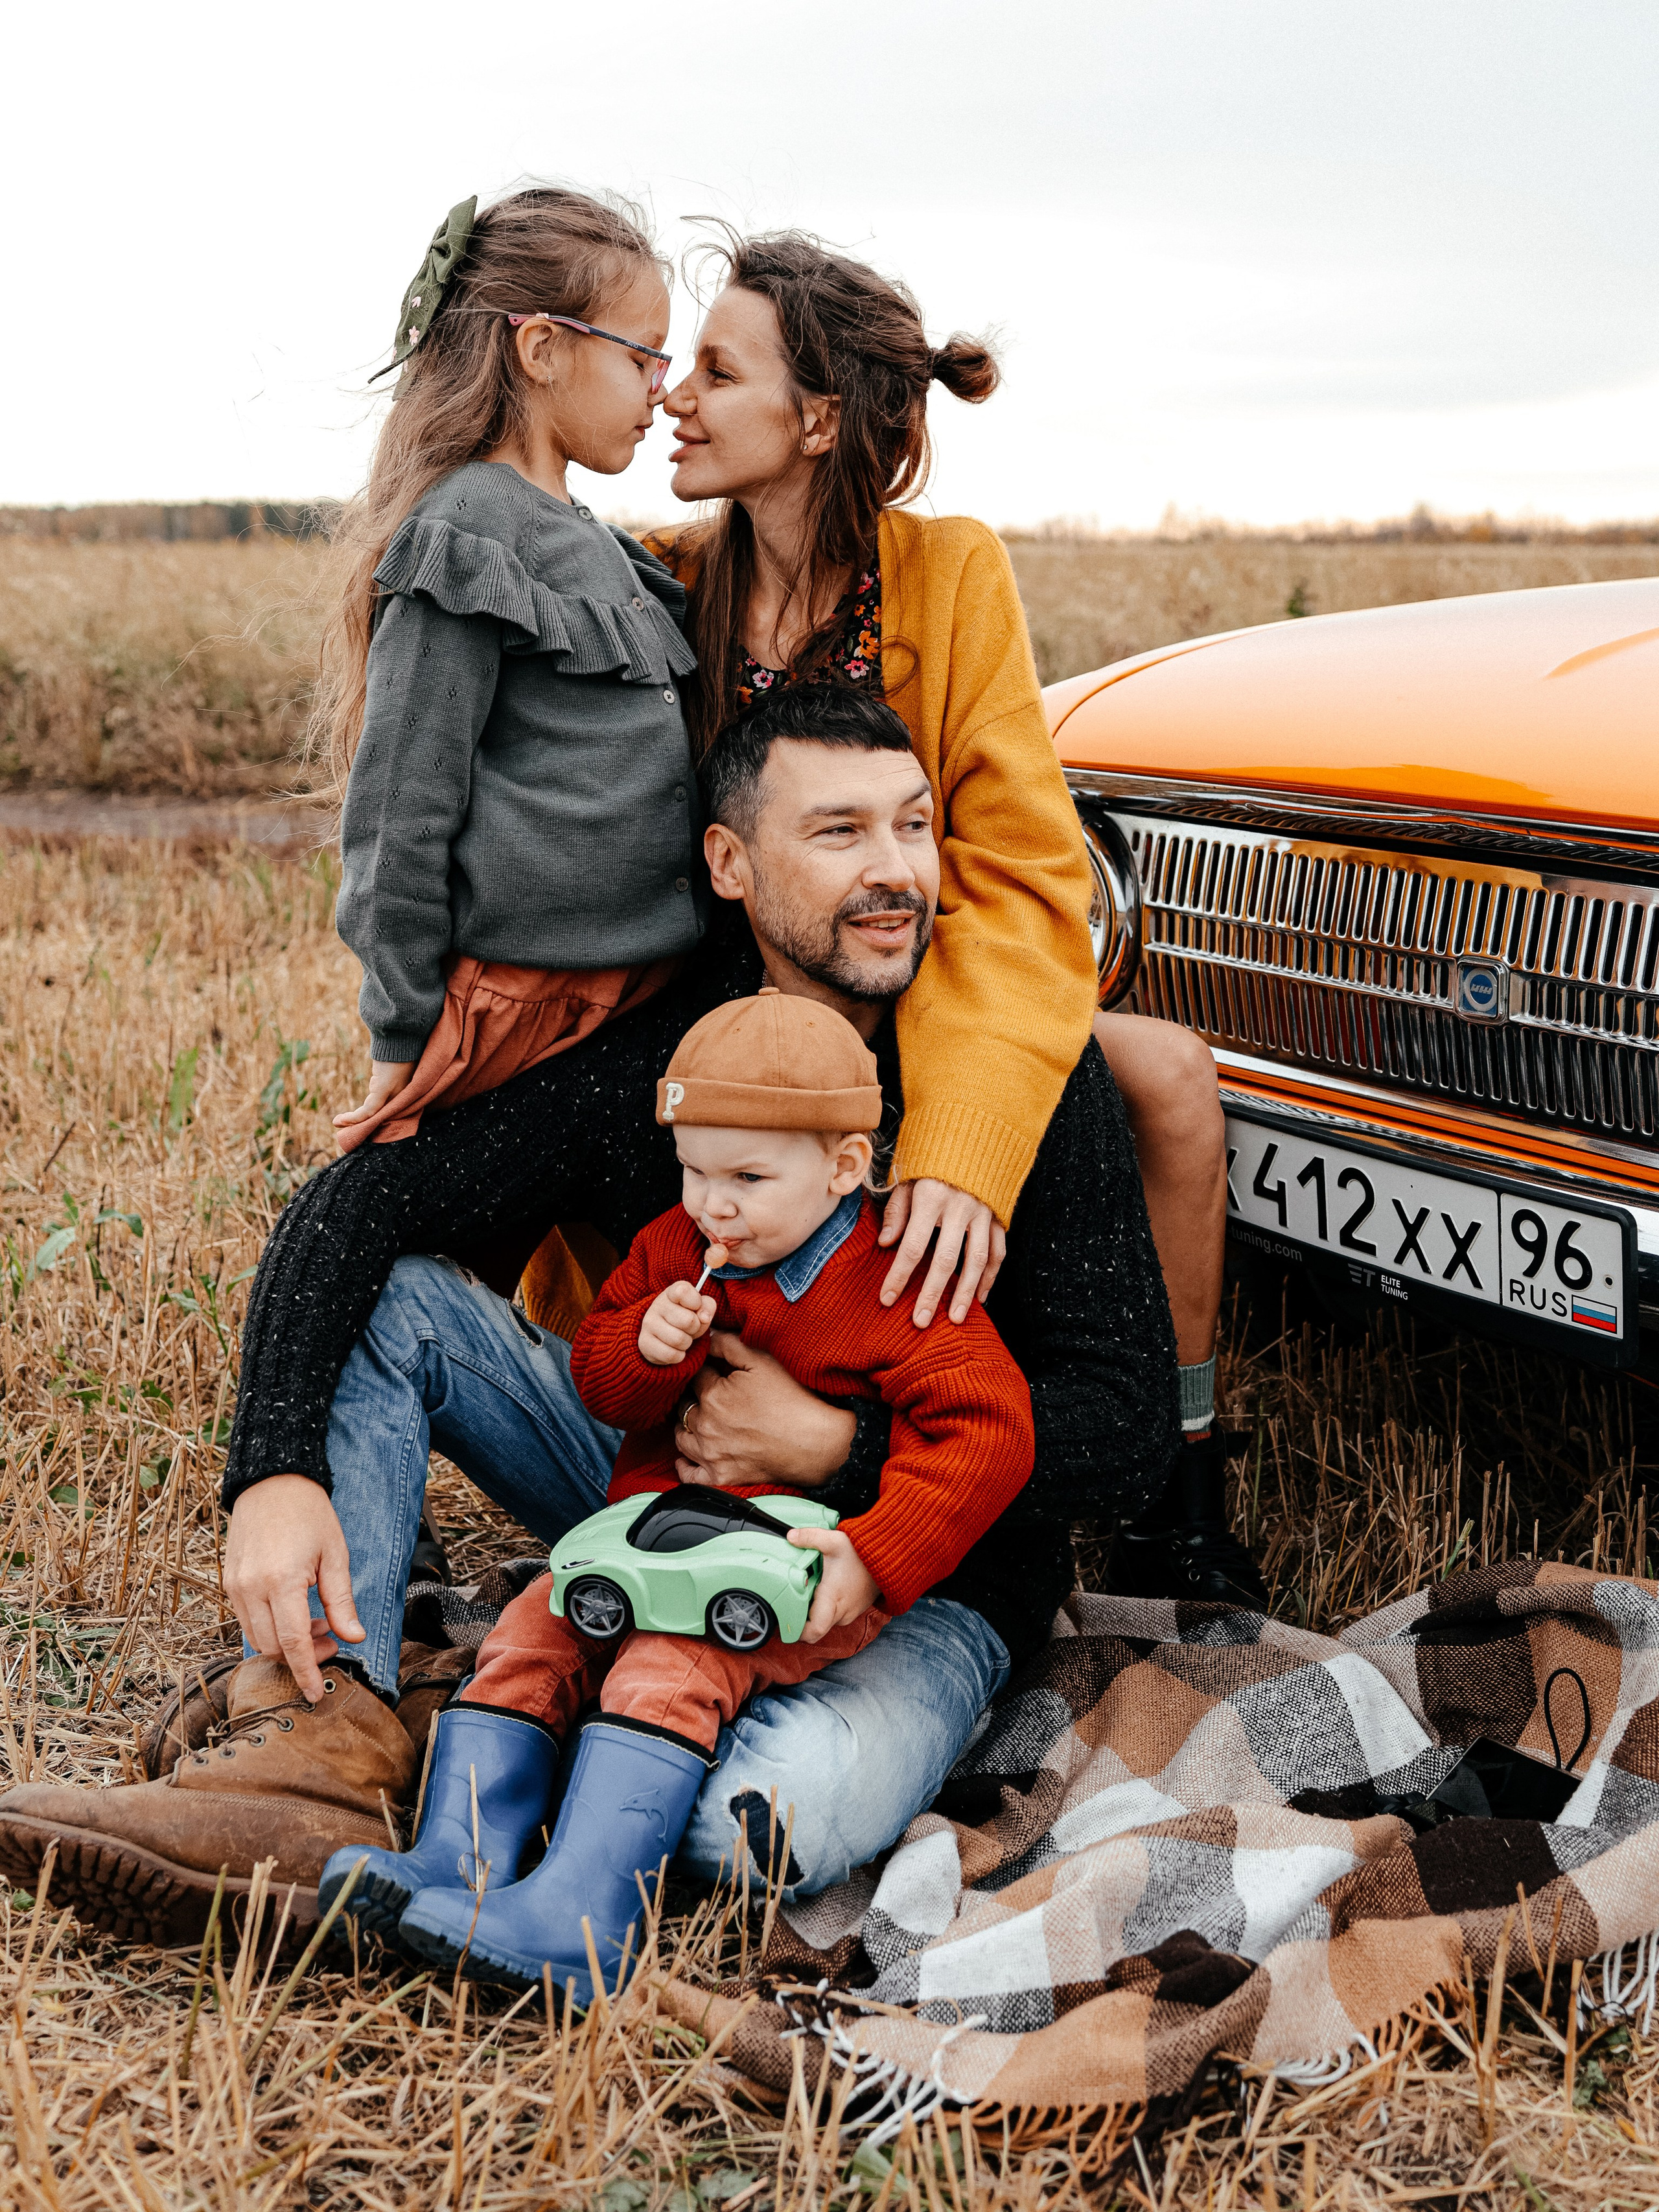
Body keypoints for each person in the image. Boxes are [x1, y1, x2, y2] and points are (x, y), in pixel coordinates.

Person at [0, 689, 1180, 1940]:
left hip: (918, 1573)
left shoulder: (1017, 1074)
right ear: (729, 862)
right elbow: (364, 1201)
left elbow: (1128, 1427)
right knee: (400, 1301)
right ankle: (327, 1747)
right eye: (839, 833)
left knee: (744, 1825)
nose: (894, 873)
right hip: (661, 1494)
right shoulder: (674, 1062)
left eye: (912, 827)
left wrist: (841, 1451)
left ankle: (550, 1834)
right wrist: (271, 1466)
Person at [640, 229, 1237, 1583]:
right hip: (743, 1002)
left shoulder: (947, 571)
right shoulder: (667, 583)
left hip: (922, 991)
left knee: (1167, 1080)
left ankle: (1179, 1476)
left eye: (716, 371)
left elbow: (1021, 874)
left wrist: (963, 1140)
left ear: (817, 421)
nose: (676, 395)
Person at [329, 986, 1034, 1997]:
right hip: (655, 1539)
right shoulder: (678, 1247)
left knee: (672, 1659)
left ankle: (582, 1912)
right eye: (696, 1168)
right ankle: (458, 1863)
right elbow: (603, 1382)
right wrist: (644, 1347)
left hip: (798, 1564)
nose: (714, 1202)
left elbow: (991, 1430)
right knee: (535, 1625)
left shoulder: (895, 1282)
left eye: (747, 1175)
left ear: (844, 1166)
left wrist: (875, 1554)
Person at [319, 187, 702, 1154]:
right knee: (437, 1235)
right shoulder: (470, 526)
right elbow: (402, 802)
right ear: (541, 350)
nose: (663, 384)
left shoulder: (597, 542)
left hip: (633, 994)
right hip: (520, 1001)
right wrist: (401, 1027)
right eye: (642, 354)